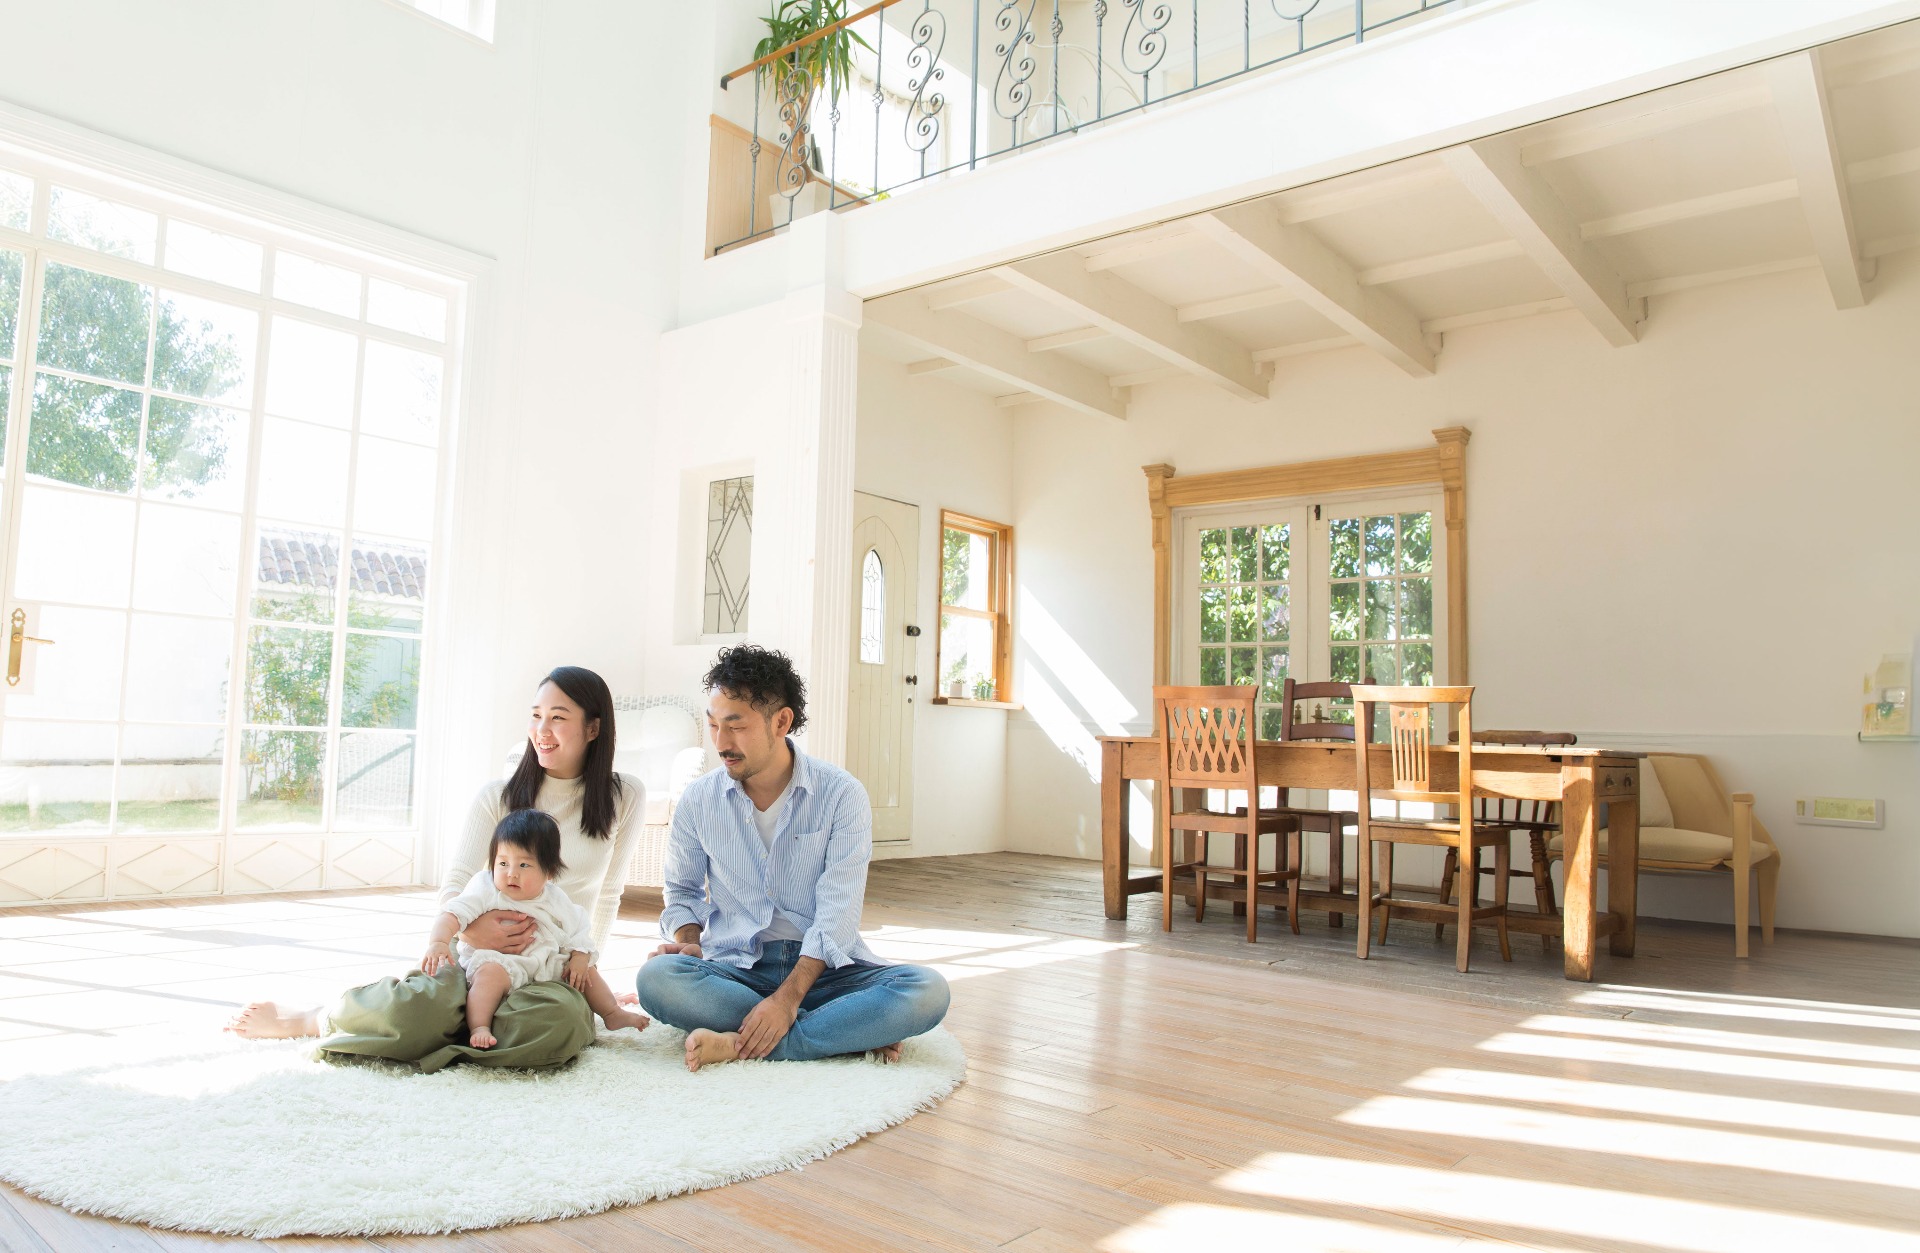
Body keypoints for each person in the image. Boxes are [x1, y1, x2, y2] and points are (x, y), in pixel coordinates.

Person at [226, 665, 645, 1073]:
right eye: (536, 716)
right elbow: (457, 883)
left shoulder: (624, 796)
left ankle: (447, 1035)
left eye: (558, 718)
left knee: (558, 1025)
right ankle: (316, 1018)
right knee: (416, 1011)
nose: (542, 730)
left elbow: (608, 893)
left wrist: (587, 970)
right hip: (479, 959)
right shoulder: (496, 797)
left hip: (552, 966)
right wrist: (471, 931)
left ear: (593, 728)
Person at [635, 644, 951, 1072]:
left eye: (736, 726)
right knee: (657, 980)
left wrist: (787, 1000)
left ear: (781, 721)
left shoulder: (841, 795)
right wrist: (689, 942)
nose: (721, 743)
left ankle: (741, 1043)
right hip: (738, 968)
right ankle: (842, 1032)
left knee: (927, 991)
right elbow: (682, 891)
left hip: (827, 972)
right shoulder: (698, 799)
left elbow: (838, 913)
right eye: (713, 725)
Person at [424, 809, 649, 1048]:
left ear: (549, 872)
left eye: (524, 864)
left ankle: (611, 1013)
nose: (511, 873)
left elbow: (579, 929)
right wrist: (438, 942)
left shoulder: (555, 898)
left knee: (586, 971)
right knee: (488, 976)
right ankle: (480, 1027)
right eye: (503, 863)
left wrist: (580, 957)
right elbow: (452, 913)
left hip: (544, 961)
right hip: (500, 961)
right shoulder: (484, 888)